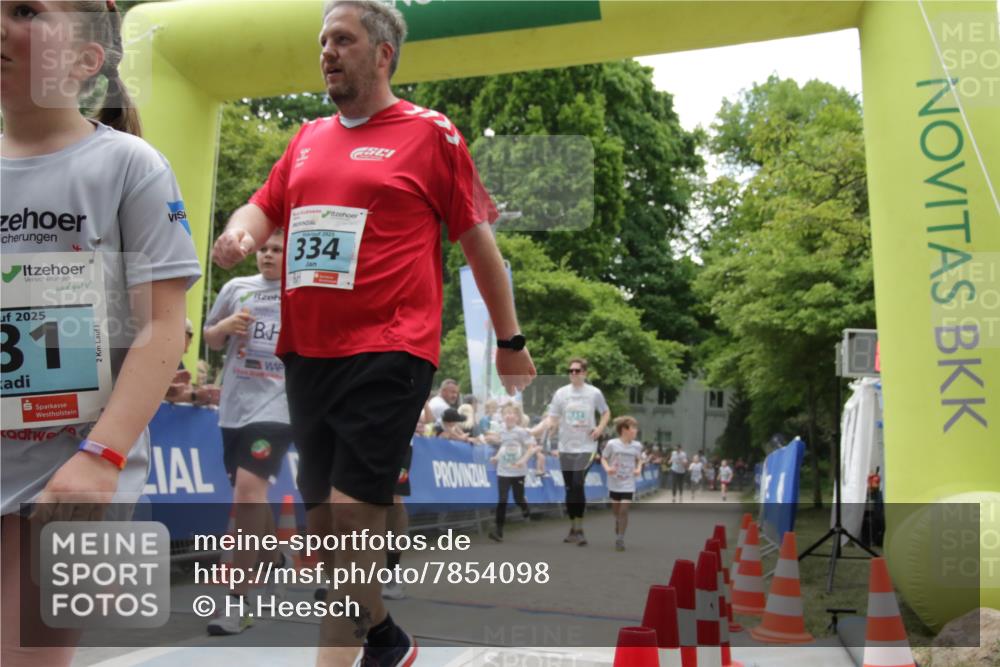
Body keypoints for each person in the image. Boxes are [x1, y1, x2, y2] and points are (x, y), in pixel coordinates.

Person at [210, 2, 536, 664]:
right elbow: (264, 202)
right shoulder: (305, 139)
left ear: (383, 54)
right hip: (306, 353)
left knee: (351, 516)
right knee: (326, 530)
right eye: (322, 40)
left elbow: (480, 246)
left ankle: (361, 646)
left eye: (342, 40)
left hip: (390, 347)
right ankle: (382, 638)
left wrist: (510, 340)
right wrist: (243, 230)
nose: (327, 51)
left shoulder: (431, 134)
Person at [0, 3, 201, 665]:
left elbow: (163, 325)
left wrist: (100, 459)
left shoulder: (130, 166)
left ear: (88, 60)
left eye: (26, 10)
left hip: (74, 477)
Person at [202, 229, 294, 635]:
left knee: (246, 493)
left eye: (278, 250)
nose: (269, 256)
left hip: (278, 409)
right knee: (248, 495)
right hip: (234, 408)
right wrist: (226, 324)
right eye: (264, 249)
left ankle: (237, 603)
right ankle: (272, 552)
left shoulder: (302, 294)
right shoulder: (237, 287)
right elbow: (210, 337)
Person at [531, 358, 610, 546]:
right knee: (570, 489)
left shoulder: (594, 393)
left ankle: (580, 529)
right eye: (570, 370)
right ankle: (573, 528)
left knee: (577, 482)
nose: (573, 373)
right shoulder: (561, 393)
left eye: (577, 370)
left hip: (587, 446)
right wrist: (547, 427)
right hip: (566, 447)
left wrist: (599, 428)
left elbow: (606, 412)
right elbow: (553, 417)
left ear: (584, 373)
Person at [488, 404, 539, 543]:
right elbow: (503, 447)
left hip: (518, 472)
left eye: (512, 413)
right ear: (503, 416)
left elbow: (530, 448)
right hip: (503, 471)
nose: (509, 416)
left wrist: (523, 460)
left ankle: (525, 507)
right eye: (506, 413)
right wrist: (496, 457)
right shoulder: (502, 431)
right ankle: (498, 531)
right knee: (502, 500)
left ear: (517, 417)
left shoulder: (522, 432)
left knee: (518, 498)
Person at [601, 417, 644, 551]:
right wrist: (608, 469)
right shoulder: (612, 444)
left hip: (628, 482)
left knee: (624, 510)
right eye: (633, 428)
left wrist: (638, 469)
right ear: (624, 430)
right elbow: (603, 458)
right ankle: (617, 521)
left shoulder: (637, 446)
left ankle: (620, 538)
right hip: (614, 482)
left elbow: (640, 460)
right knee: (616, 511)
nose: (636, 430)